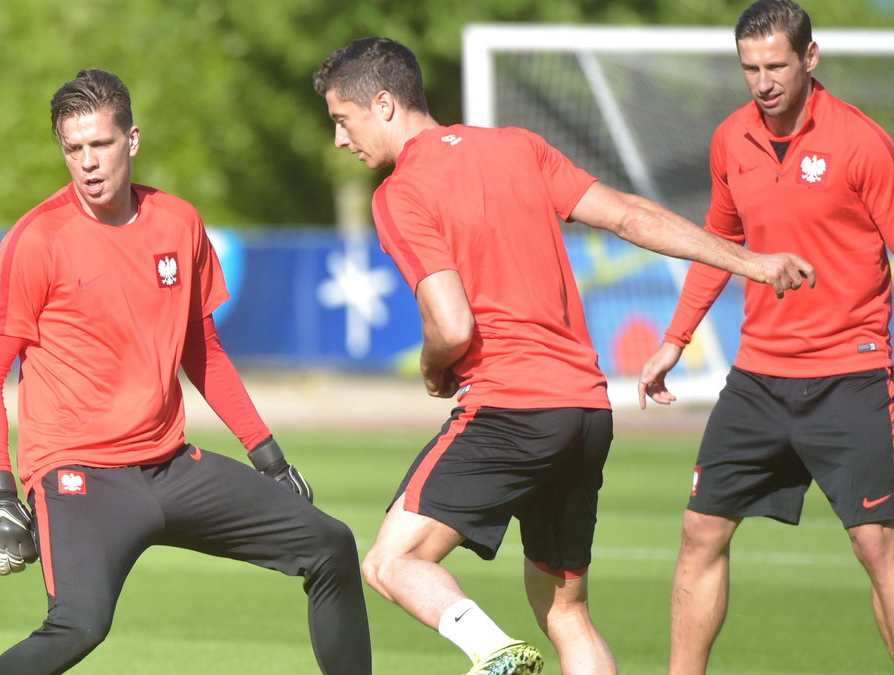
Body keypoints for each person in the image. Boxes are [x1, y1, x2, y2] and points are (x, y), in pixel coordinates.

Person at [312, 36, 815, 675]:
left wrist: (433, 368)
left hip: (510, 409)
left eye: (341, 120)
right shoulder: (518, 146)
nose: (339, 140)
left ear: (383, 104)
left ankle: (493, 654)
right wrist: (755, 261)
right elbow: (630, 216)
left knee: (391, 562)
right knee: (567, 613)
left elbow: (451, 324)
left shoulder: (400, 192)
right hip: (583, 412)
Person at [0, 67, 371, 675]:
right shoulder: (37, 239)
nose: (88, 163)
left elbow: (201, 350)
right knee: (80, 624)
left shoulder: (177, 222)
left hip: (170, 465)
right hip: (80, 473)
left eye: (100, 144)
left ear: (132, 140)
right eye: (73, 149)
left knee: (330, 544)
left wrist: (269, 457)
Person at [637, 1, 894, 672]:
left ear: (810, 59)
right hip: (758, 379)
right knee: (701, 530)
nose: (763, 81)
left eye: (776, 64)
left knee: (877, 543)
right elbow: (718, 243)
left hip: (850, 373)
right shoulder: (731, 139)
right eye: (750, 67)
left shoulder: (863, 142)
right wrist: (675, 337)